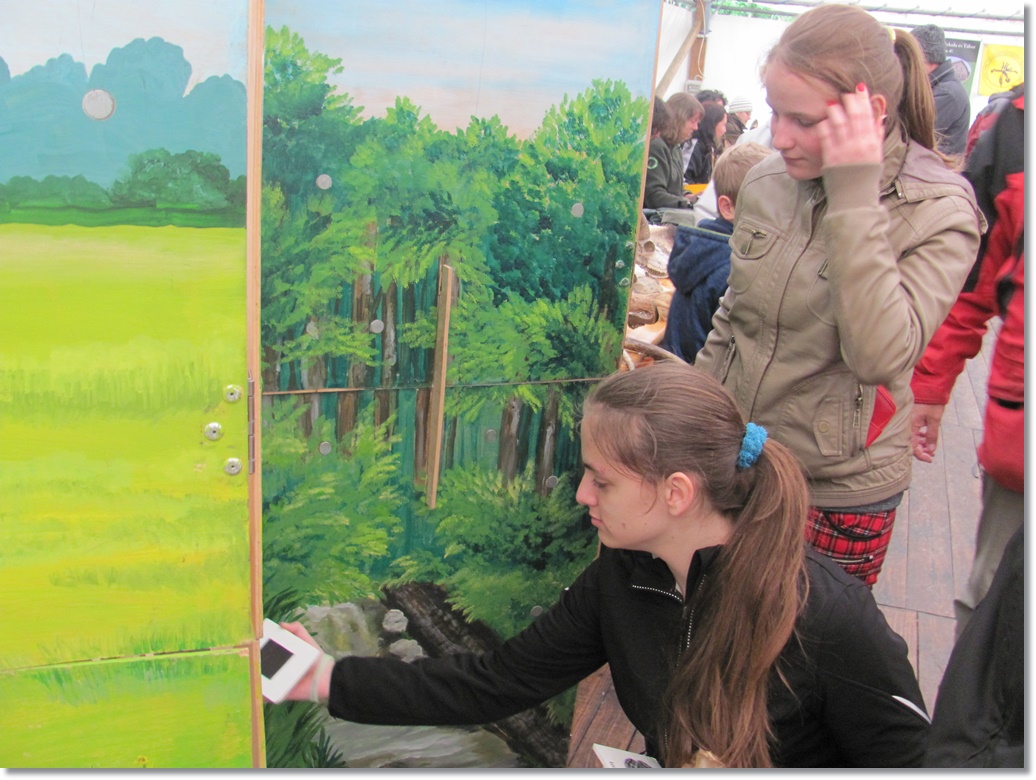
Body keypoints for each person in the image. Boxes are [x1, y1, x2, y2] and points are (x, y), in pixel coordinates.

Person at [274, 361, 931, 767]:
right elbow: (496, 682)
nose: (583, 496)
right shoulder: (625, 575)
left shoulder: (830, 619)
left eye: (602, 480)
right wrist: (324, 677)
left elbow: (913, 761)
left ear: (676, 493)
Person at [694, 4, 983, 587]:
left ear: (869, 113)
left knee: (805, 641)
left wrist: (854, 193)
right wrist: (695, 415)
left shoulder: (939, 212)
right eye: (775, 111)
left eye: (804, 121)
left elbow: (878, 356)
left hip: (835, 491)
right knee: (710, 621)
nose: (779, 137)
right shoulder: (767, 180)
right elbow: (734, 317)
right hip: (738, 465)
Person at [909, 84, 1023, 638]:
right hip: (1020, 439)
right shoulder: (1015, 128)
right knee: (996, 603)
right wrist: (931, 384)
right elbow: (975, 282)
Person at [661, 143, 771, 362]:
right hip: (702, 377)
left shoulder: (701, 251)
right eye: (767, 206)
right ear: (728, 208)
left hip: (680, 370)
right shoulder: (734, 269)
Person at [910, 24, 970, 157]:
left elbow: (914, 134)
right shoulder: (941, 87)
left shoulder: (948, 93)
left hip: (934, 168)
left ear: (922, 57)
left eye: (910, 57)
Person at [642, 94, 701, 211]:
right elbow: (654, 195)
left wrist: (689, 196)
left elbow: (674, 188)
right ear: (679, 119)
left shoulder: (676, 147)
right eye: (693, 121)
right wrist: (686, 204)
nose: (696, 127)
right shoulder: (656, 145)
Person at [683, 103, 727, 184]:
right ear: (713, 125)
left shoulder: (709, 147)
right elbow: (683, 178)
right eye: (723, 125)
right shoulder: (694, 145)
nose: (725, 130)